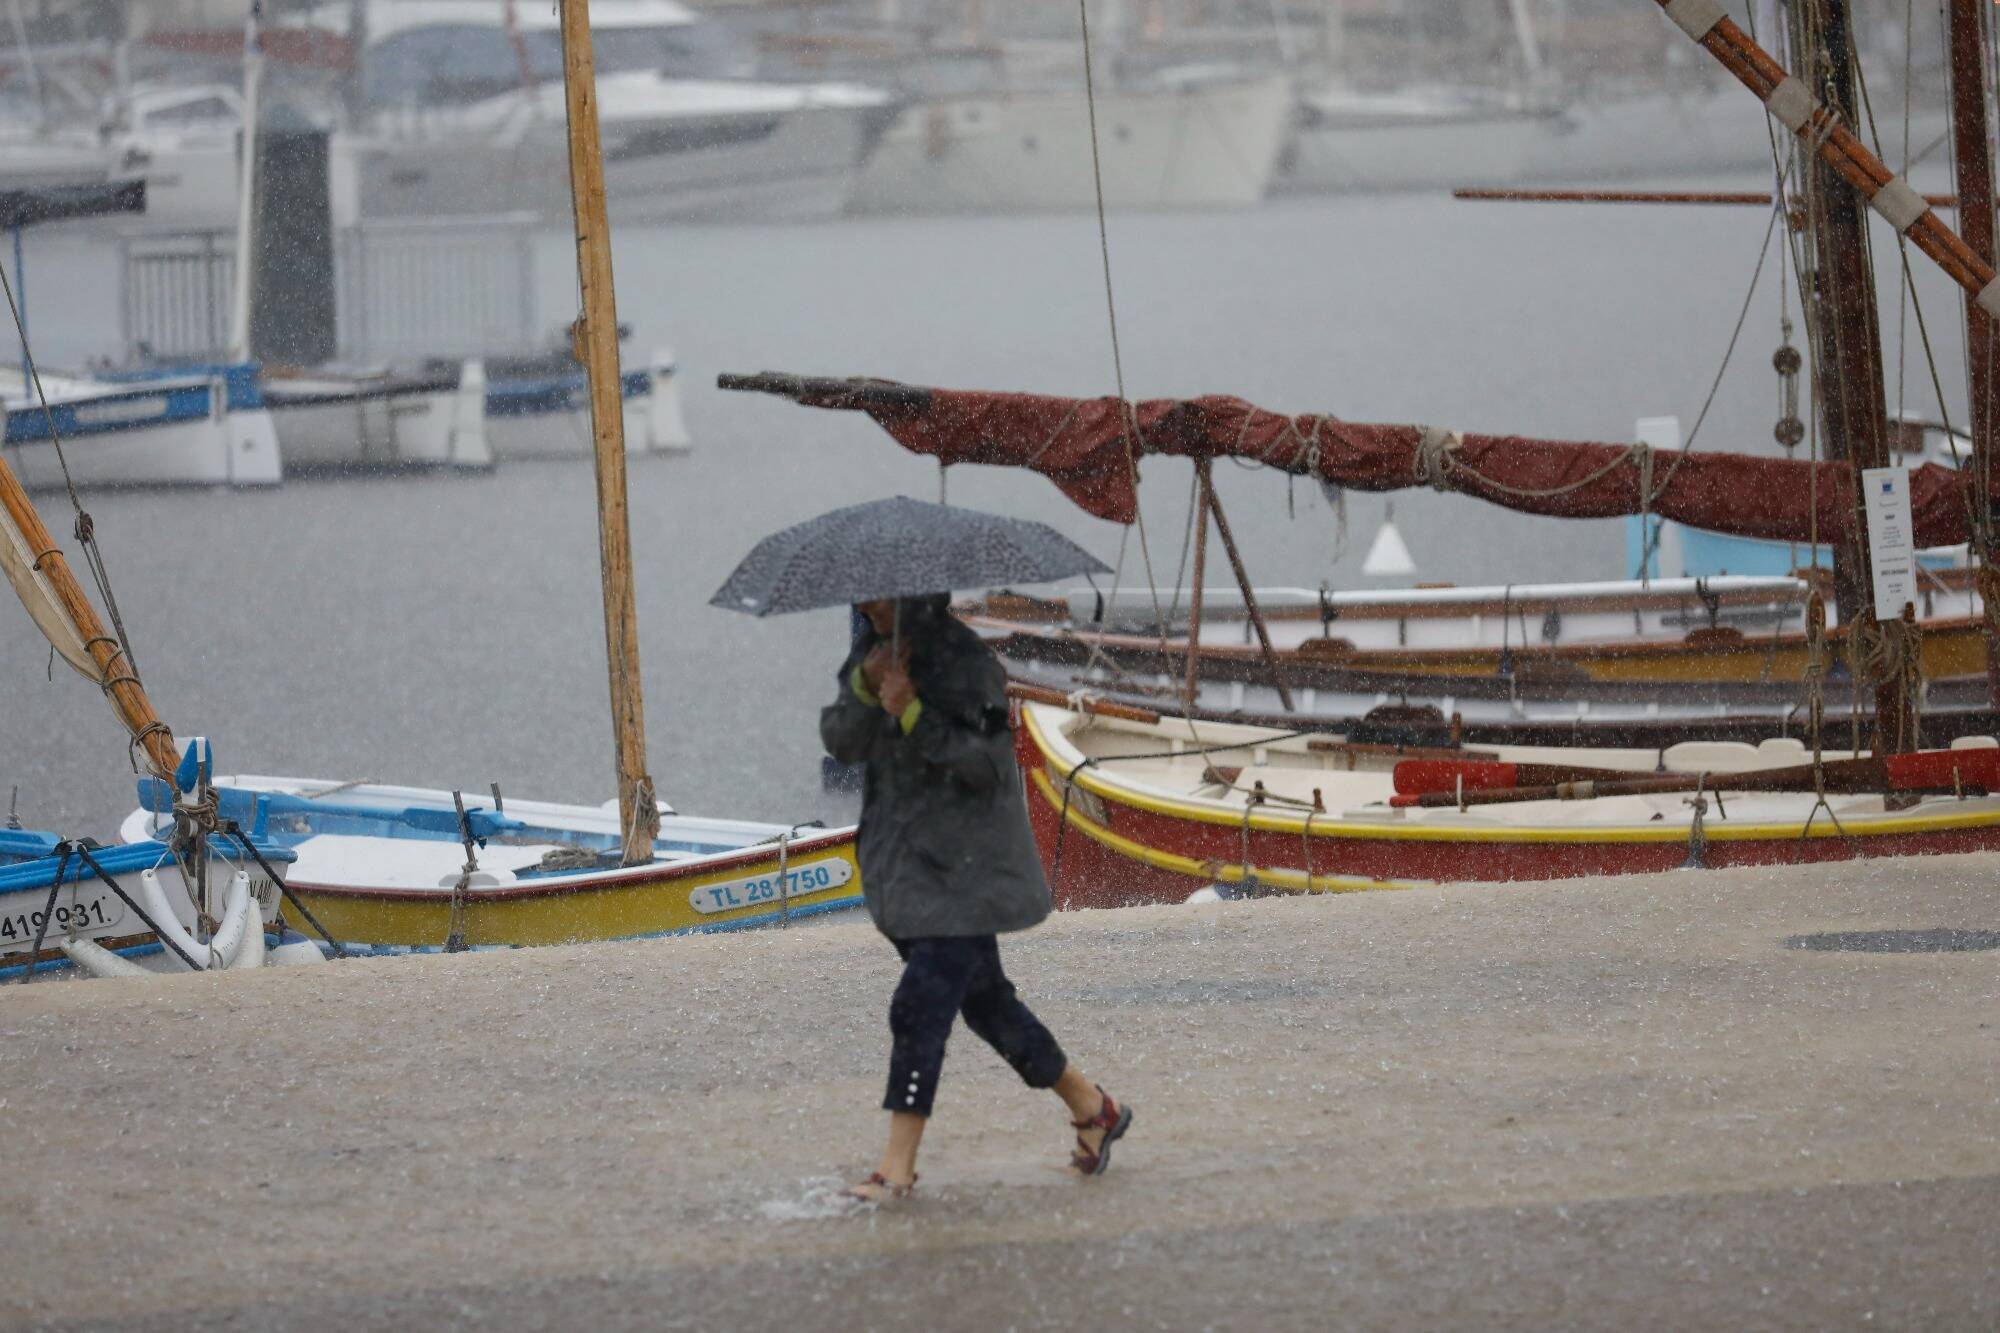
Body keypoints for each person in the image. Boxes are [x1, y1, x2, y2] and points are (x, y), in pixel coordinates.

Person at [821, 592, 1132, 1203]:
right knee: (988, 1006)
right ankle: (1094, 1109)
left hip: (963, 873)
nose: (867, 606)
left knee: (919, 1008)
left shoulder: (969, 665)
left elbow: (985, 768)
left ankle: (897, 1169)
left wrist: (912, 711)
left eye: (880, 596)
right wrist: (863, 686)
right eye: (863, 595)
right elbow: (842, 742)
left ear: (916, 595)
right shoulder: (871, 652)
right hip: (901, 866)